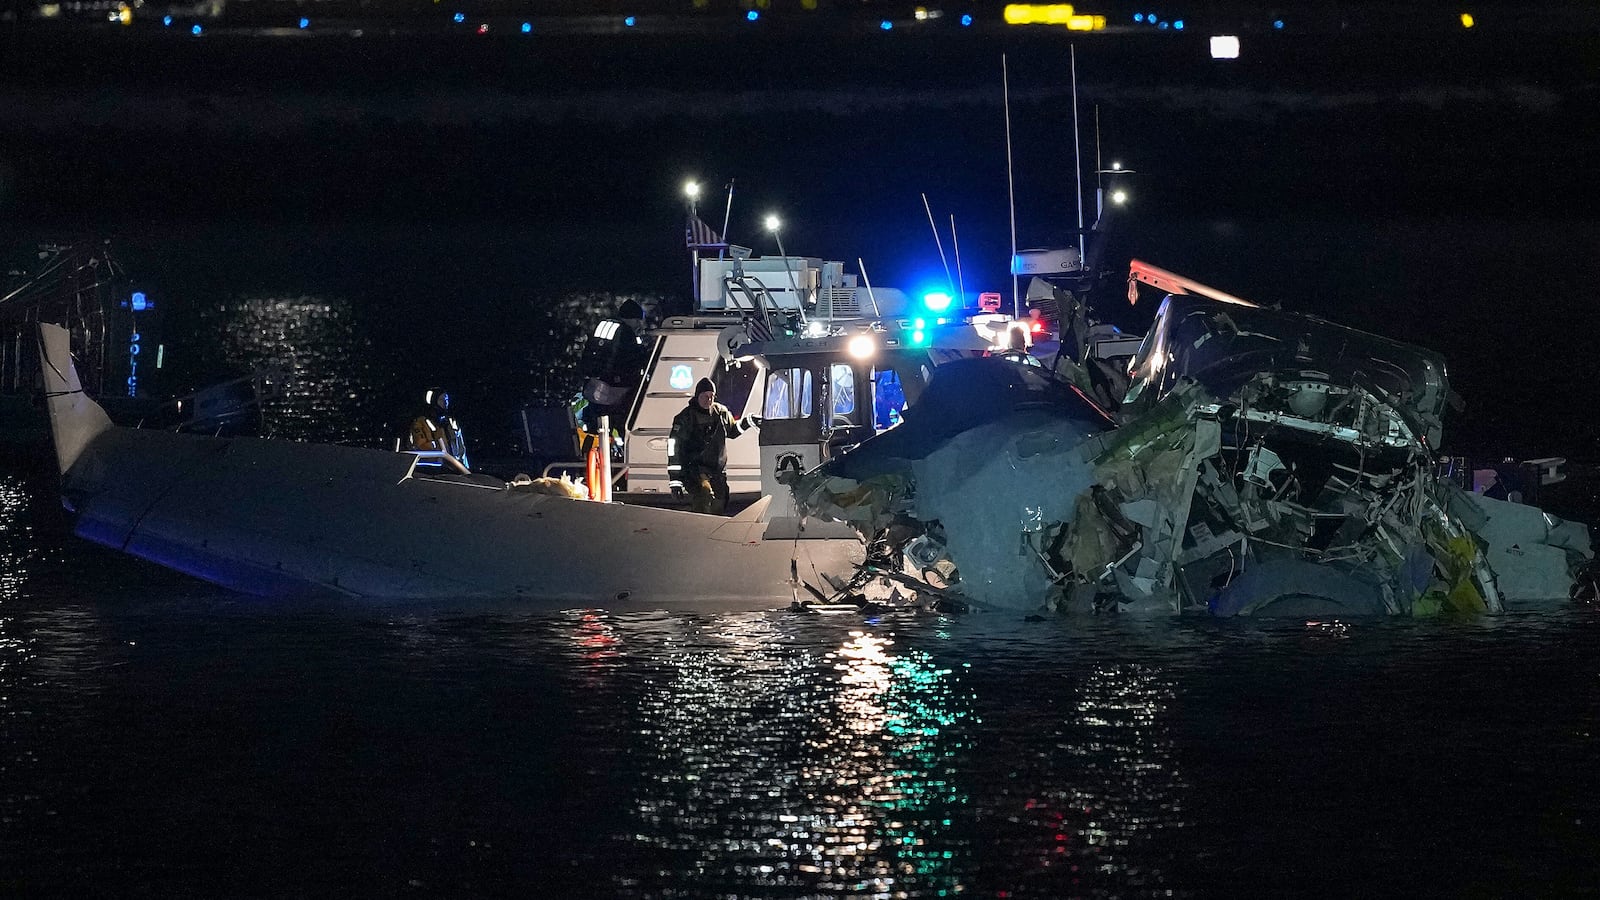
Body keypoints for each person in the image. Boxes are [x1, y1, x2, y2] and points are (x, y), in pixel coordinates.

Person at [668, 377, 760, 514]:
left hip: (717, 470)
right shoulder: (685, 418)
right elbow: (674, 449)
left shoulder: (721, 413)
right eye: (705, 396)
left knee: (722, 499)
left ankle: (716, 524)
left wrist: (748, 421)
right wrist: (675, 481)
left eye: (711, 396)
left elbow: (732, 431)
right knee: (704, 494)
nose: (709, 400)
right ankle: (701, 524)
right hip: (694, 469)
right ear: (697, 396)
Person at [406, 387, 469, 469]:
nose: (445, 403)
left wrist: (464, 467)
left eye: (446, 399)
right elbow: (419, 446)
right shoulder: (420, 423)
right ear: (433, 401)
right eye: (441, 400)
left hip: (454, 468)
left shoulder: (451, 422)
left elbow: (461, 448)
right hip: (431, 469)